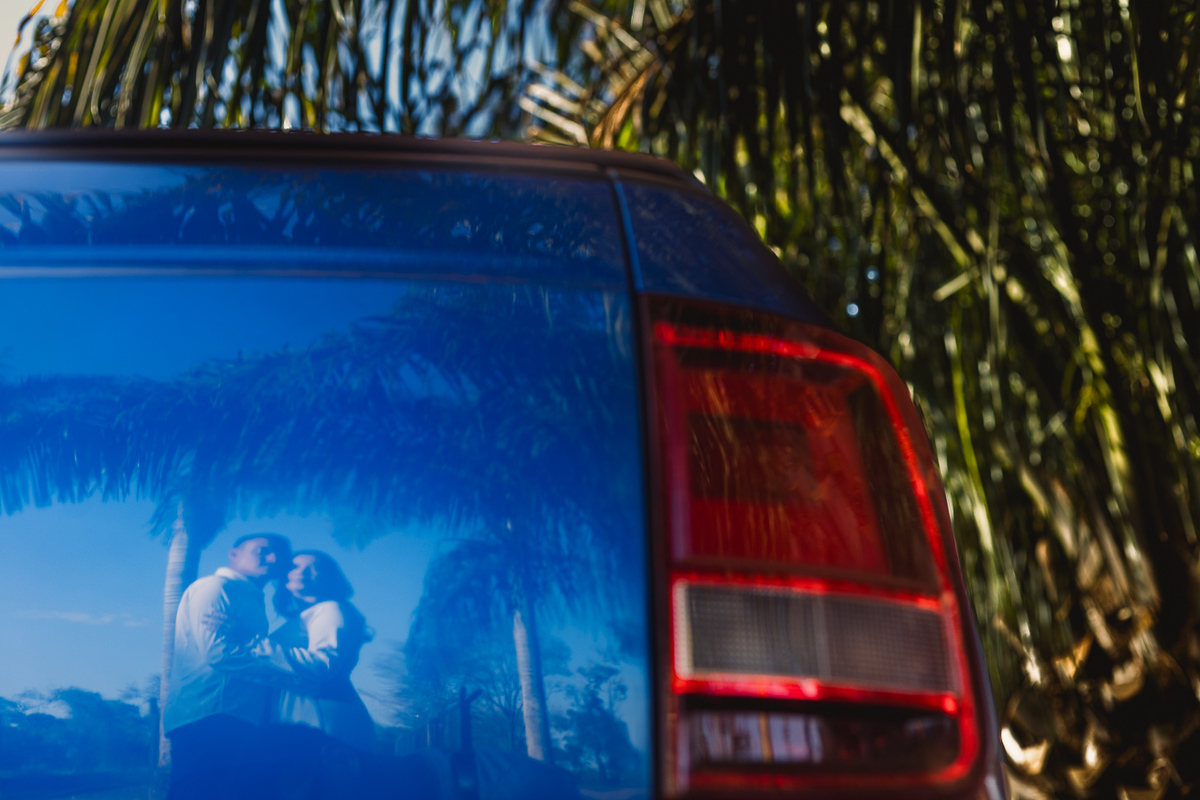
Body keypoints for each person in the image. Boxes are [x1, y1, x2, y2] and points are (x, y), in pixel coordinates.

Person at [162, 532, 293, 799]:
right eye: (263, 551)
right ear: (234, 554)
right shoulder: (216, 588)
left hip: (233, 717)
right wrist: (283, 677)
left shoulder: (249, 596)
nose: (272, 558)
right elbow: (219, 654)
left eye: (278, 555)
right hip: (209, 714)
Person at [266, 550, 377, 754]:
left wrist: (253, 646)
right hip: (310, 709)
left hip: (320, 711)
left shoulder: (330, 609)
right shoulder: (308, 615)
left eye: (314, 567)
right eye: (295, 566)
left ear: (329, 577)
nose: (302, 572)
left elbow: (323, 664)